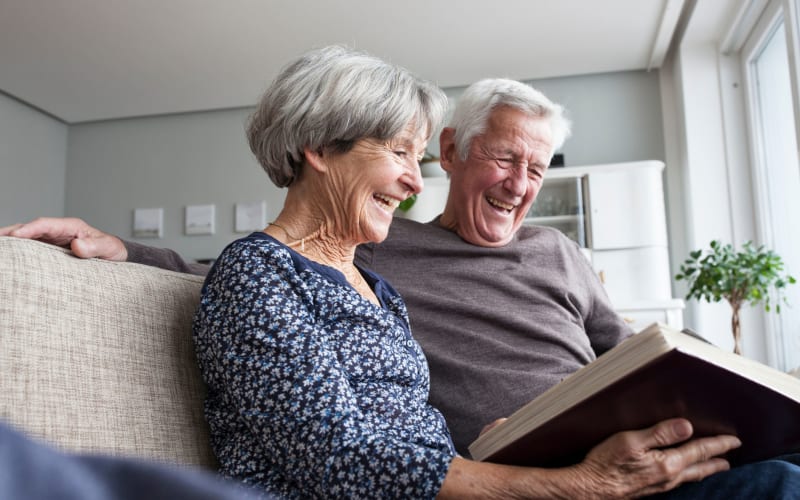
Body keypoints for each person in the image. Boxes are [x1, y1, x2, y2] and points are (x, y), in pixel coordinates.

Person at [1, 48, 768, 497]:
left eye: (537, 167)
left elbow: (421, 427)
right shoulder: (274, 273)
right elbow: (336, 450)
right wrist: (559, 484)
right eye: (399, 154)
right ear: (322, 147)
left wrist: (499, 453)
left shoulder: (381, 287)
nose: (410, 182)